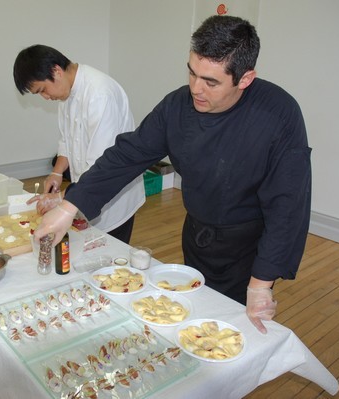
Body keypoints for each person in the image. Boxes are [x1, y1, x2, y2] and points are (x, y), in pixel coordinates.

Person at [34, 16, 312, 334]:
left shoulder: (279, 114)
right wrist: (69, 206)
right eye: (192, 73)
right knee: (194, 312)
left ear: (245, 79)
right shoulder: (177, 106)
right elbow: (127, 155)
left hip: (248, 244)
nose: (196, 89)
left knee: (231, 330)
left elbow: (288, 205)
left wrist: (261, 283)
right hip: (197, 232)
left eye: (211, 82)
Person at [13, 45, 145, 244]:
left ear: (56, 71)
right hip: (84, 191)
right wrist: (57, 172)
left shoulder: (100, 94)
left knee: (109, 258)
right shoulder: (66, 92)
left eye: (43, 90)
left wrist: (61, 199)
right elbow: (66, 139)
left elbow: (102, 166)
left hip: (112, 195)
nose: (46, 97)